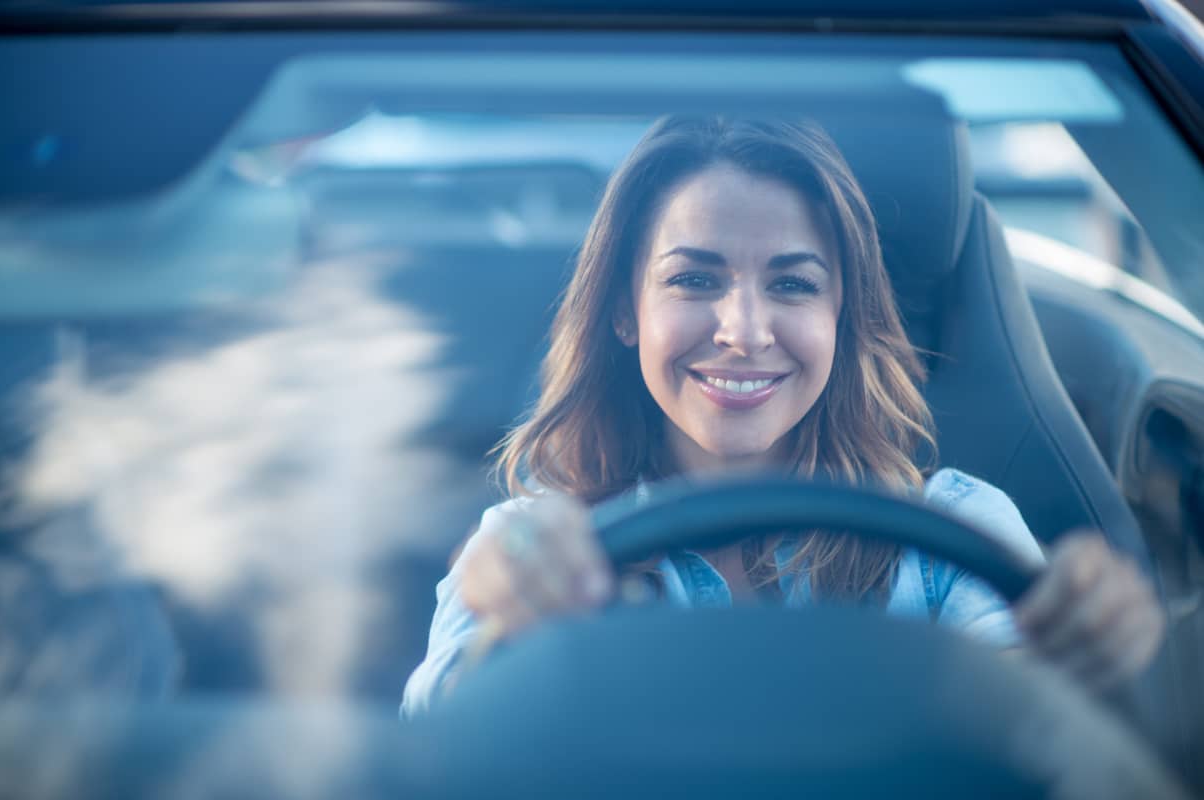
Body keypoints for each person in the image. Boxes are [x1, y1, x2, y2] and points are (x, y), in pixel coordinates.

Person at [401, 115, 1165, 717]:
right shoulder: (531, 551)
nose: (744, 330)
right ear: (625, 311)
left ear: (841, 314)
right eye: (695, 277)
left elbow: (1053, 746)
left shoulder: (953, 540)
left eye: (793, 285)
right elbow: (436, 765)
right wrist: (505, 631)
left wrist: (1093, 655)